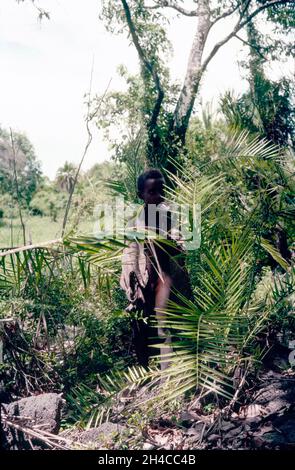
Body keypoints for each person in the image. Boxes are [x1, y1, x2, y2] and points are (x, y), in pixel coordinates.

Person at [120, 169, 192, 370]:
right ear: (140, 195)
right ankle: (143, 372)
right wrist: (131, 281)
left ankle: (166, 377)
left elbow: (180, 245)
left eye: (162, 190)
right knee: (140, 327)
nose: (159, 195)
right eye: (152, 192)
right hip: (143, 280)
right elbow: (129, 252)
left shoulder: (170, 217)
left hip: (166, 280)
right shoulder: (135, 222)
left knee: (165, 327)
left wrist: (177, 241)